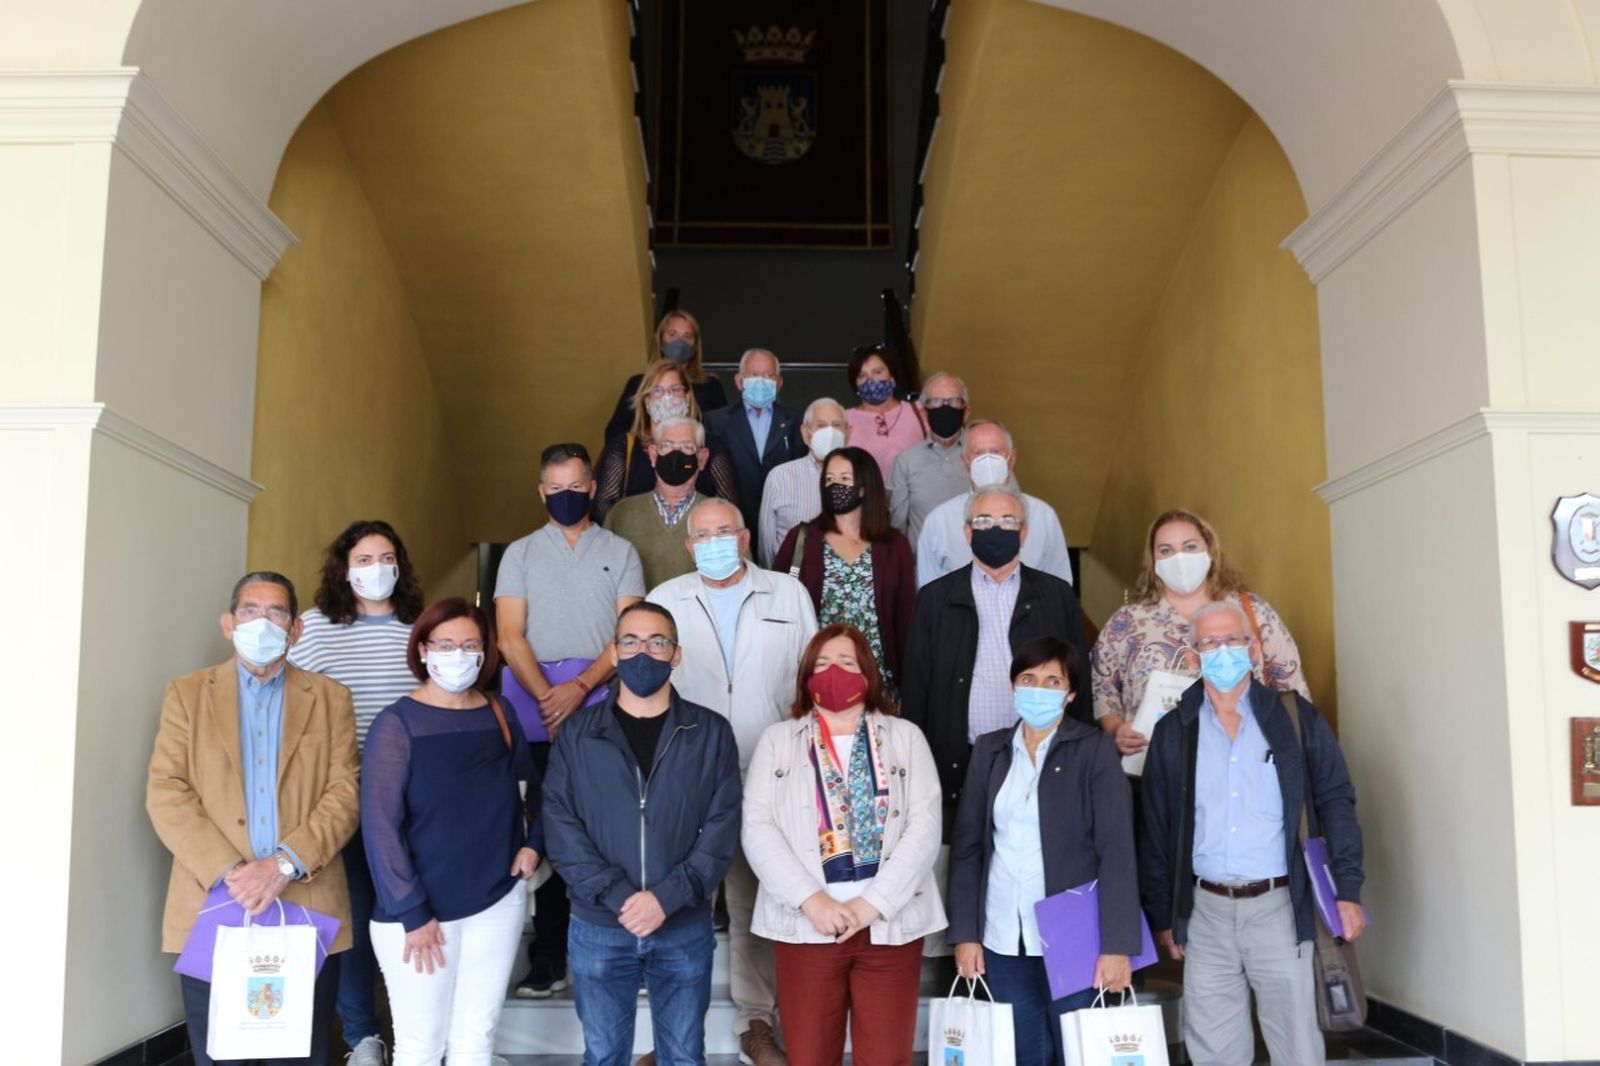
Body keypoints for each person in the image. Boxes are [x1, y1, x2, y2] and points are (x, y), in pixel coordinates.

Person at [147, 572, 359, 1066]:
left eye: (276, 613)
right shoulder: (187, 694)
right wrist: (232, 872)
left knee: (298, 1054)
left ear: (296, 629)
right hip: (213, 904)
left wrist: (282, 865)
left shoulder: (331, 698)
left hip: (306, 902)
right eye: (250, 611)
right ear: (228, 623)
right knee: (219, 1053)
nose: (262, 622)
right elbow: (166, 790)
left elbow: (345, 793)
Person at [1140, 601, 1365, 1066]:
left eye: (1233, 641)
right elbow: (1156, 828)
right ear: (1193, 656)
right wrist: (1165, 914)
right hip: (1205, 912)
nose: (1222, 652)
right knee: (1214, 1052)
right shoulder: (1174, 731)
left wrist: (1347, 890)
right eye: (1210, 643)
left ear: (1254, 649)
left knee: (1297, 1046)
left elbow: (1336, 800)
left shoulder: (1295, 718)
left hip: (1280, 908)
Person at [647, 498, 819, 1065]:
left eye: (725, 531)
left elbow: (809, 682)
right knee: (682, 905)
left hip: (769, 775)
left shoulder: (787, 594)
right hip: (686, 778)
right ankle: (671, 1036)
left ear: (745, 538)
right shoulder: (664, 600)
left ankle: (756, 1025)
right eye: (703, 534)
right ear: (688, 545)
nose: (714, 542)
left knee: (753, 905)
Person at [542, 602, 742, 1066]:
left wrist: (668, 897)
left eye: (657, 642)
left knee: (684, 1057)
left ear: (676, 654)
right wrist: (616, 895)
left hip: (683, 923)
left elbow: (722, 826)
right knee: (604, 1056)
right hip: (599, 923)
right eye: (630, 642)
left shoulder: (710, 732)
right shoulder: (577, 734)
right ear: (613, 652)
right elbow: (560, 823)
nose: (643, 652)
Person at [742, 625, 946, 1066]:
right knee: (810, 1056)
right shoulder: (777, 740)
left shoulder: (905, 736)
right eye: (822, 664)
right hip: (806, 926)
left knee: (887, 1058)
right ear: (806, 676)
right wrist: (811, 901)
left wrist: (872, 904)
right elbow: (757, 828)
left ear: (868, 674)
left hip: (888, 926)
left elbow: (925, 827)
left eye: (846, 662)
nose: (833, 671)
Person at [495, 442, 645, 1000]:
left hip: (603, 700)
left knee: (612, 830)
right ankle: (549, 957)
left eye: (575, 487)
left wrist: (578, 690)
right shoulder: (520, 554)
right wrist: (549, 700)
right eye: (555, 488)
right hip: (534, 706)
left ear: (592, 488)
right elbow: (509, 636)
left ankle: (624, 950)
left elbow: (629, 630)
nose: (566, 496)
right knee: (548, 831)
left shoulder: (621, 550)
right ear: (541, 492)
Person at [362, 598, 541, 1066]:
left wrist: (534, 845)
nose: (458, 655)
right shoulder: (396, 724)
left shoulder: (500, 712)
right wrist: (412, 912)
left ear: (485, 653)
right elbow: (380, 828)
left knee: (475, 1041)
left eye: (470, 645)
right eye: (445, 645)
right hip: (420, 912)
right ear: (423, 650)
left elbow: (535, 790)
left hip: (497, 899)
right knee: (421, 1047)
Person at [947, 637, 1138, 1066]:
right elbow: (968, 849)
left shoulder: (1093, 749)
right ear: (1013, 687)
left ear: (1070, 693)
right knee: (1021, 1053)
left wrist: (1118, 945)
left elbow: (1117, 851)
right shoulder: (990, 750)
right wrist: (965, 934)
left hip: (1077, 933)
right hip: (1001, 936)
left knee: (1080, 1052)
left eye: (1053, 681)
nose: (1039, 689)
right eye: (1029, 678)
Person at [288, 520, 424, 1066]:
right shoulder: (315, 630)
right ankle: (363, 1037)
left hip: (409, 798)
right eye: (363, 560)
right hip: (340, 797)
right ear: (343, 569)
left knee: (409, 914)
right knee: (354, 920)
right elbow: (293, 708)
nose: (376, 569)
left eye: (386, 558)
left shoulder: (419, 629)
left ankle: (417, 1032)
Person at [901, 486, 1092, 835]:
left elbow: (1079, 686)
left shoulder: (1057, 596)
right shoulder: (934, 599)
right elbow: (917, 689)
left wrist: (1080, 757)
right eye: (984, 520)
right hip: (960, 762)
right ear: (967, 532)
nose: (995, 529)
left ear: (1024, 533)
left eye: (1007, 521)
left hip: (1040, 758)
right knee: (965, 855)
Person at [1091, 508, 1310, 759]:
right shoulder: (1126, 622)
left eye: (1190, 546)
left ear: (1210, 551)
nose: (1179, 558)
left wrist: (1301, 752)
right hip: (1155, 763)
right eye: (1166, 550)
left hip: (1249, 759)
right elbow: (1102, 688)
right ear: (1153, 561)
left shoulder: (1253, 611)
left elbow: (1292, 687)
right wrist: (1115, 729)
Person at [772, 446, 915, 696]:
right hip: (817, 675)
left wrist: (908, 681)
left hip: (877, 676)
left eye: (845, 478)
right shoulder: (801, 538)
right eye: (829, 479)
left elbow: (906, 617)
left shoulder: (894, 545)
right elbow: (778, 604)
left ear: (864, 486)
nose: (835, 486)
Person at [915, 419, 1074, 588]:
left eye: (995, 452)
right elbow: (928, 593)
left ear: (1012, 458)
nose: (987, 459)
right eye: (978, 453)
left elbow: (1060, 586)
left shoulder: (1043, 516)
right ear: (965, 461)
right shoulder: (939, 521)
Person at [594, 360, 737, 522]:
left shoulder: (710, 445)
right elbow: (603, 502)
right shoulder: (624, 446)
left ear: (687, 397)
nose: (667, 397)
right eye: (657, 391)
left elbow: (728, 503)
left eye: (675, 390)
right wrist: (632, 529)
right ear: (647, 401)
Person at [704, 348, 805, 534]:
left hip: (783, 523)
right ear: (739, 381)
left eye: (768, 375)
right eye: (754, 375)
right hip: (733, 521)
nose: (761, 381)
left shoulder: (795, 421)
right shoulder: (715, 422)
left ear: (779, 382)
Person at [605, 417, 711, 589]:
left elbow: (741, 578)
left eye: (687, 447)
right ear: (653, 454)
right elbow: (604, 579)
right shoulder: (621, 513)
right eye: (667, 446)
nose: (676, 455)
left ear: (701, 458)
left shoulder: (720, 516)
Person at [604, 309, 729, 442]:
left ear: (696, 345)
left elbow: (724, 432)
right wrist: (645, 444)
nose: (679, 342)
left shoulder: (710, 386)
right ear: (660, 339)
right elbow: (614, 432)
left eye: (687, 336)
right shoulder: (638, 384)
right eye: (672, 334)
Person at [756, 397, 850, 567]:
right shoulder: (780, 477)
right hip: (791, 578)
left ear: (848, 432)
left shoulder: (863, 475)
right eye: (821, 426)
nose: (829, 433)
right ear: (805, 433)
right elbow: (766, 545)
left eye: (836, 425)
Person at [887, 371, 971, 545]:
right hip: (922, 559)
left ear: (966, 411)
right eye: (936, 401)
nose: (945, 407)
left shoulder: (983, 454)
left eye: (954, 401)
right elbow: (898, 525)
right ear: (924, 413)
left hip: (973, 559)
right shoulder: (906, 461)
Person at [843, 347, 924, 480]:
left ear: (892, 378)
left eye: (877, 372)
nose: (870, 380)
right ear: (855, 385)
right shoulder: (844, 419)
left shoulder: (918, 412)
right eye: (862, 375)